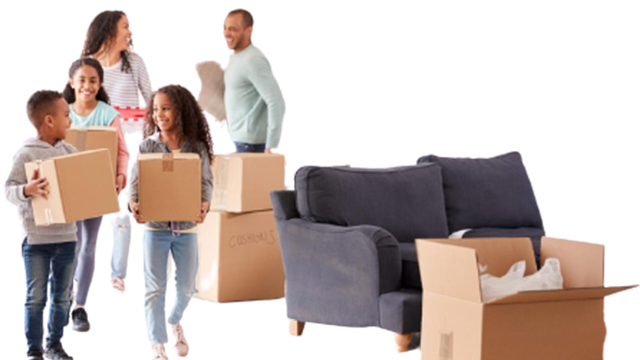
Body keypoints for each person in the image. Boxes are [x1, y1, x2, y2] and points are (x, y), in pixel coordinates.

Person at [128, 86, 213, 359]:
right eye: (155, 109)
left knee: (187, 286)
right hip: (155, 228)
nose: (159, 114)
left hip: (186, 227)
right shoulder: (148, 145)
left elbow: (206, 183)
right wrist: (134, 204)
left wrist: (205, 203)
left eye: (165, 108)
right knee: (155, 287)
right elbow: (136, 184)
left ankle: (174, 320)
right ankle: (157, 341)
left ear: (180, 110)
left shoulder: (195, 147)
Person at [84, 9, 153, 294]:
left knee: (126, 203)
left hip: (131, 141)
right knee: (103, 207)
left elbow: (151, 98)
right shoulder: (87, 66)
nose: (130, 32)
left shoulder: (133, 62)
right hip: (100, 142)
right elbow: (76, 106)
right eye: (125, 26)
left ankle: (118, 277)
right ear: (110, 30)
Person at [6, 92, 77, 360]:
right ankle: (34, 349)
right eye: (66, 116)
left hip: (67, 238)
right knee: (37, 297)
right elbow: (9, 191)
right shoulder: (26, 154)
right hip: (37, 242)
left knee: (61, 298)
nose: (69, 121)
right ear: (49, 120)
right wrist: (27, 189)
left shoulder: (70, 153)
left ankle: (54, 344)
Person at [63, 57, 130, 331]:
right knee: (68, 245)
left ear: (99, 84)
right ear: (72, 83)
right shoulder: (62, 112)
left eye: (93, 81)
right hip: (67, 187)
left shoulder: (108, 114)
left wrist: (119, 175)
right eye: (82, 80)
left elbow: (122, 151)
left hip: (94, 186)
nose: (87, 86)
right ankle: (63, 299)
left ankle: (79, 305)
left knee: (88, 244)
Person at [222, 9, 285, 154]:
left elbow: (276, 101)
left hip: (250, 146)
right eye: (225, 28)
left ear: (248, 31)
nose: (226, 34)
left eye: (233, 29)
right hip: (240, 142)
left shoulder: (253, 59)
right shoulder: (236, 57)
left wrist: (271, 145)